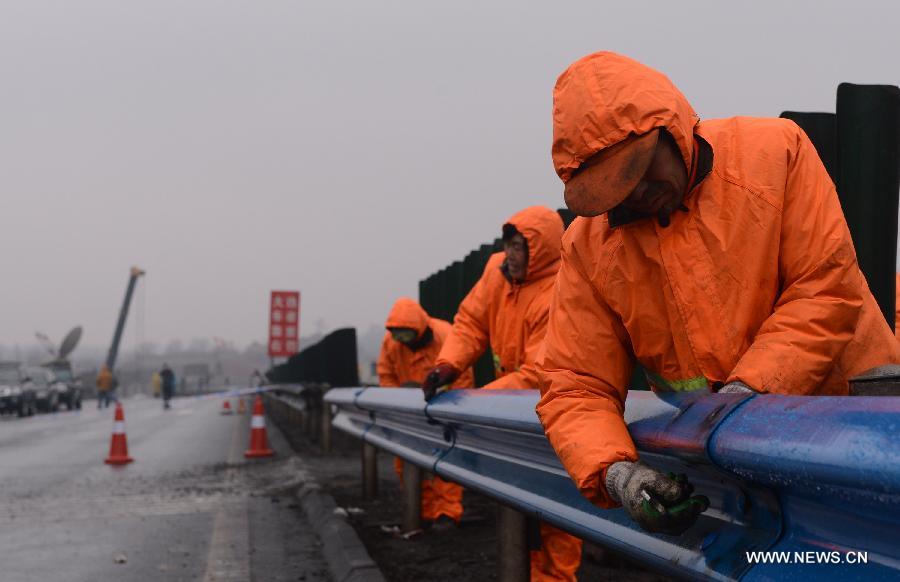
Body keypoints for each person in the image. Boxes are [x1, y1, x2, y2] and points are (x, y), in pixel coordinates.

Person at [536, 51, 900, 536]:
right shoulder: (588, 247)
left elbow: (824, 289)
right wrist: (615, 471)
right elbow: (576, 382)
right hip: (729, 465)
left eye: (642, 170)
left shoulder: (775, 153)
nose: (639, 193)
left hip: (853, 438)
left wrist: (744, 396)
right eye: (617, 188)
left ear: (672, 129)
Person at [422, 206, 582, 582]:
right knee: (519, 504)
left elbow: (536, 374)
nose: (510, 254)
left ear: (539, 251)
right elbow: (470, 324)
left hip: (556, 414)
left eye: (519, 246)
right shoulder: (497, 274)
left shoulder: (560, 289)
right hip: (513, 413)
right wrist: (447, 365)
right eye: (508, 244)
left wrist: (478, 402)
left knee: (557, 510)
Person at [377, 297, 475, 529]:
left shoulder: (445, 335)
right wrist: (399, 401)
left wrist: (451, 405)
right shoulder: (391, 343)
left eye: (405, 334)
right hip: (409, 413)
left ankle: (447, 512)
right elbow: (386, 374)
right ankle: (423, 509)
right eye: (397, 334)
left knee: (446, 461)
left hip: (444, 409)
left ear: (418, 329)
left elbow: (462, 372)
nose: (401, 340)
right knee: (406, 461)